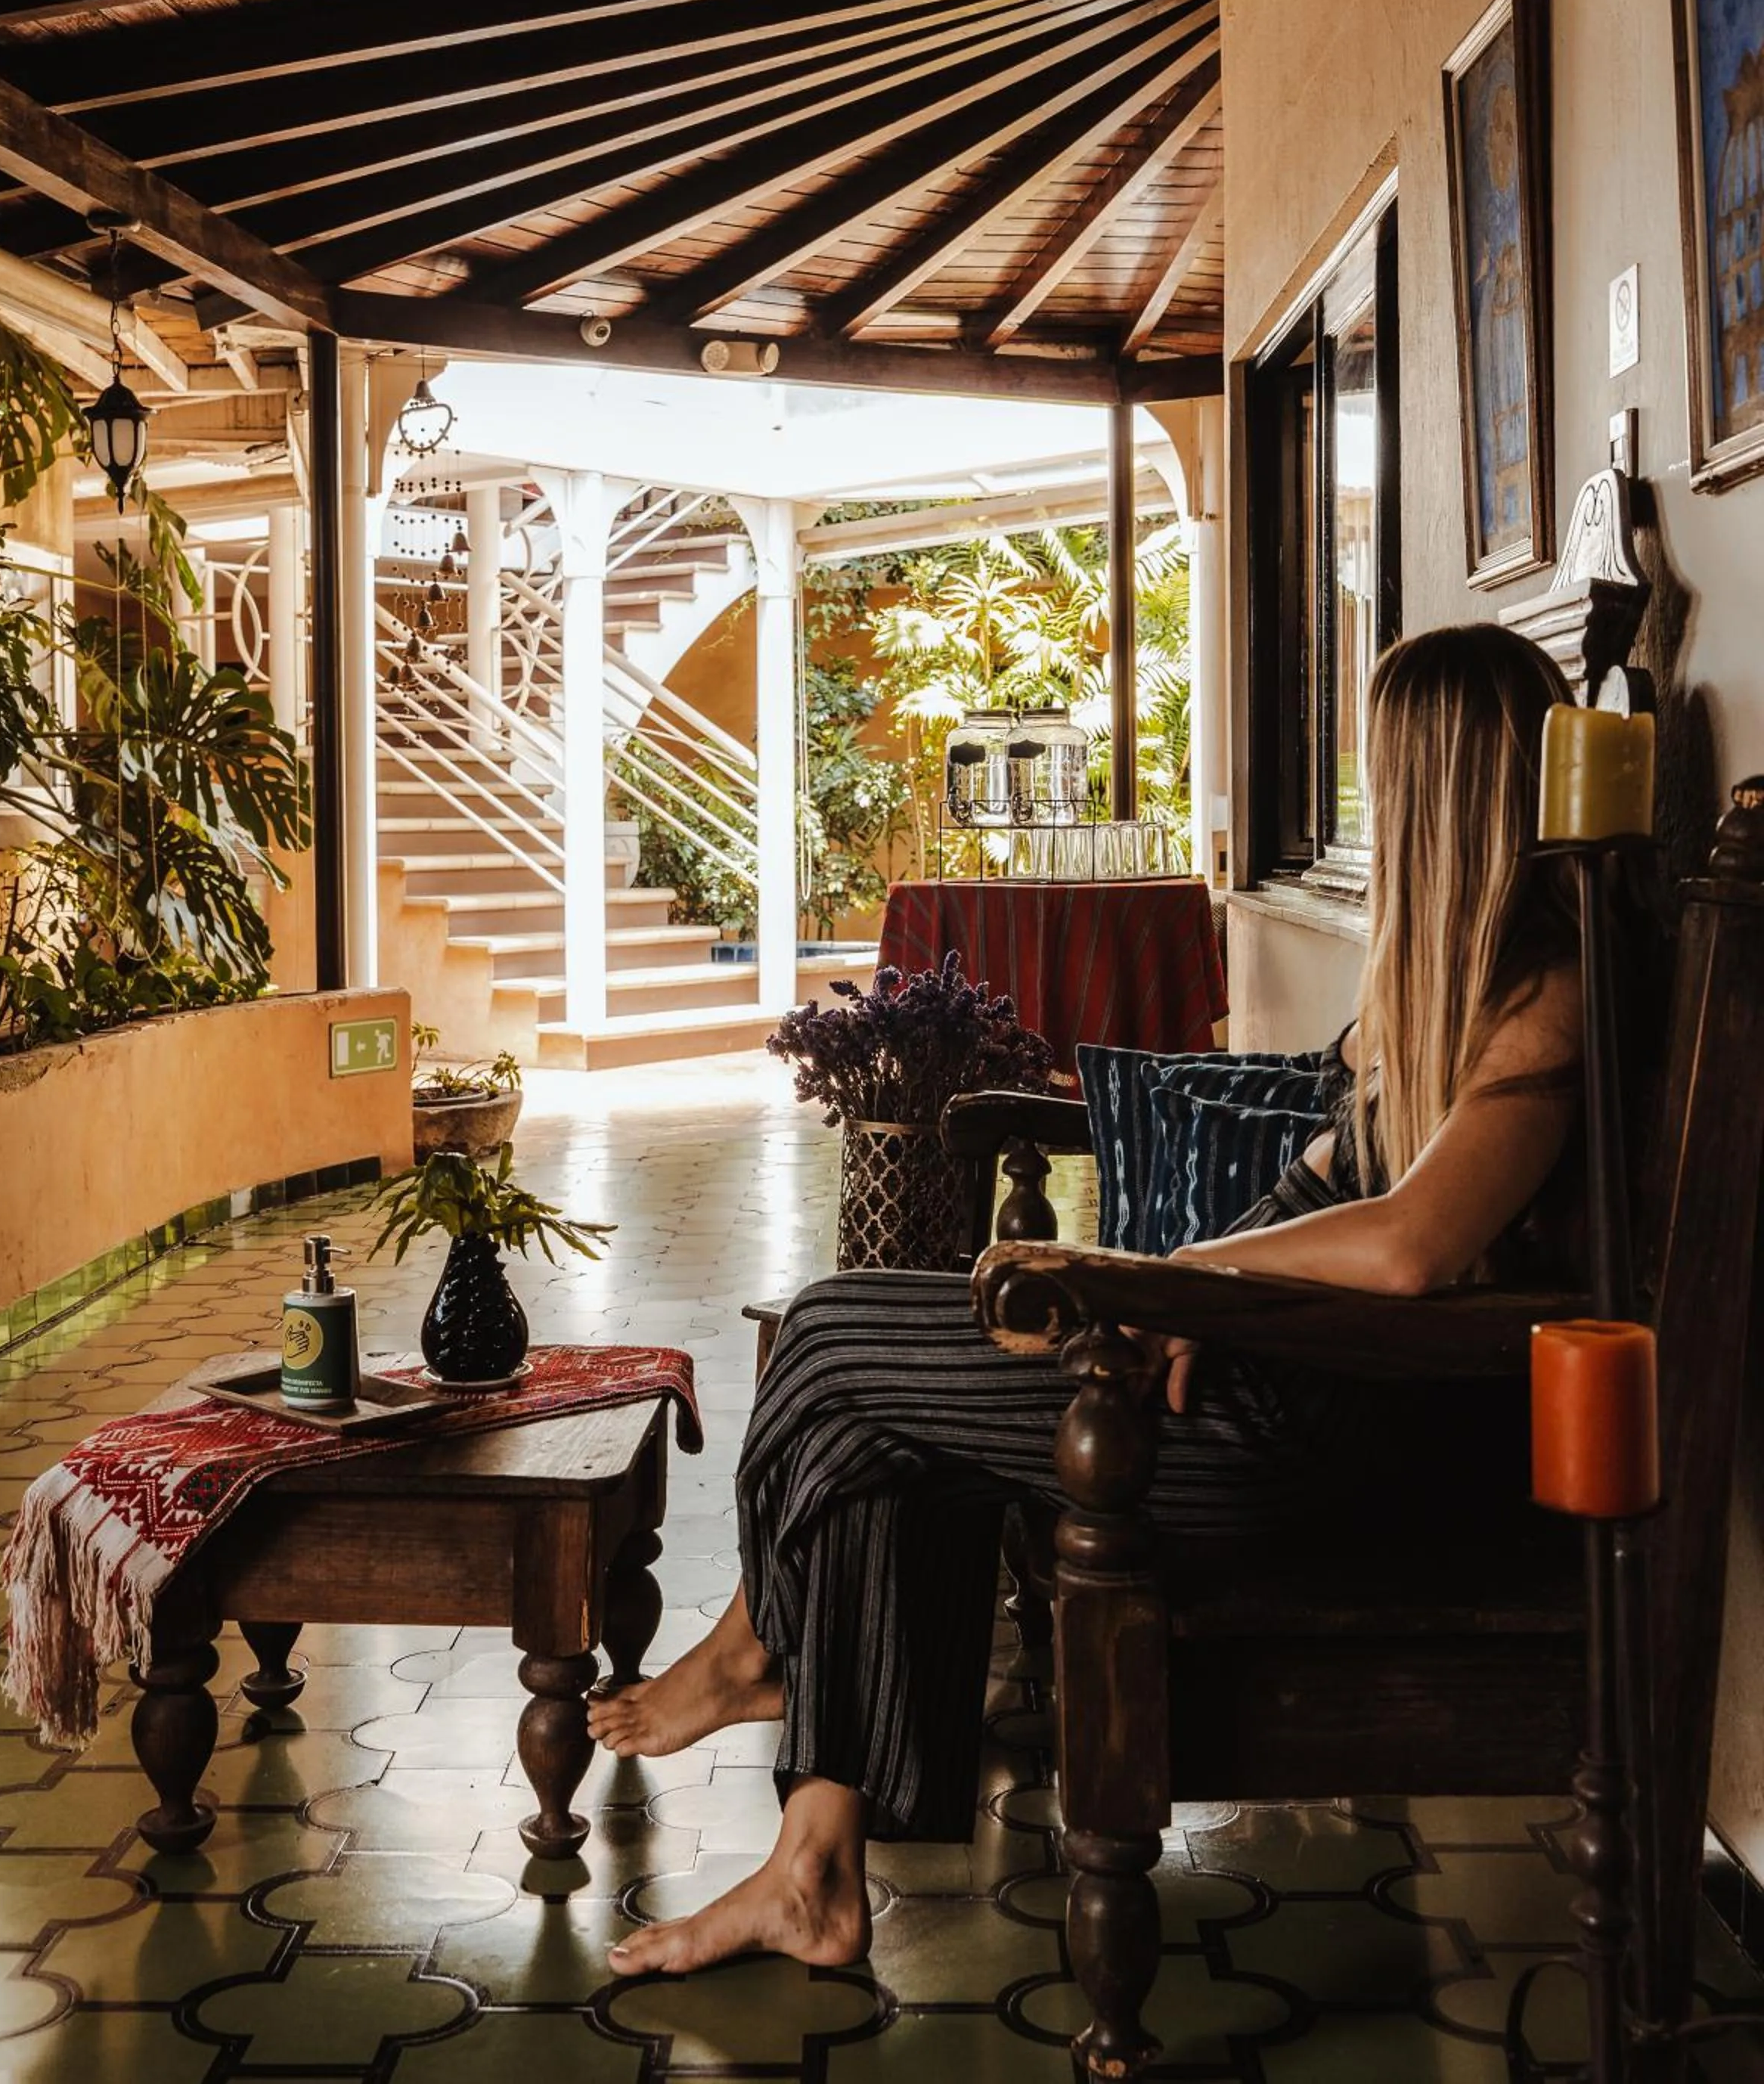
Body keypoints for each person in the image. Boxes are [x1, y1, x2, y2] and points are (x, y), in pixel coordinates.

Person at [591, 622, 1589, 1979]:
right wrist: (1168, 1280)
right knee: (883, 1445)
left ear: (1437, 794)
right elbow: (1318, 1177)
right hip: (1238, 1365)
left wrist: (1187, 1280)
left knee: (831, 1331)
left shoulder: (1549, 994)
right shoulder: (1447, 988)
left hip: (1286, 1422)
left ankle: (756, 1645)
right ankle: (812, 1875)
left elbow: (1414, 1245)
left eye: (1383, 773)